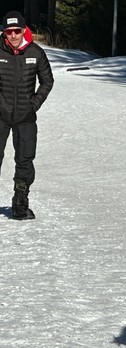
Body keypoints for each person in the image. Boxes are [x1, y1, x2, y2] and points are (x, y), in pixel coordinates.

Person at [0, 11, 54, 220]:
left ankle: (20, 203)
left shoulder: (36, 53)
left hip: (26, 117)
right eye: (8, 31)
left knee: (25, 160)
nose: (12, 35)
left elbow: (47, 81)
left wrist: (35, 104)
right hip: (1, 116)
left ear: (23, 30)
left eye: (16, 31)